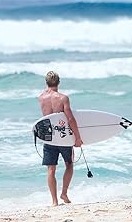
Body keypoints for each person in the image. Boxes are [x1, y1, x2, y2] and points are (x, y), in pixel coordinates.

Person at [39, 71, 83, 206]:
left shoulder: (41, 97)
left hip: (49, 137)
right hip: (63, 137)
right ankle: (64, 192)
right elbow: (70, 118)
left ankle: (54, 201)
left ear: (46, 83)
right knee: (69, 165)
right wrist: (77, 138)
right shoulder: (63, 98)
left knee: (51, 169)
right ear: (59, 82)